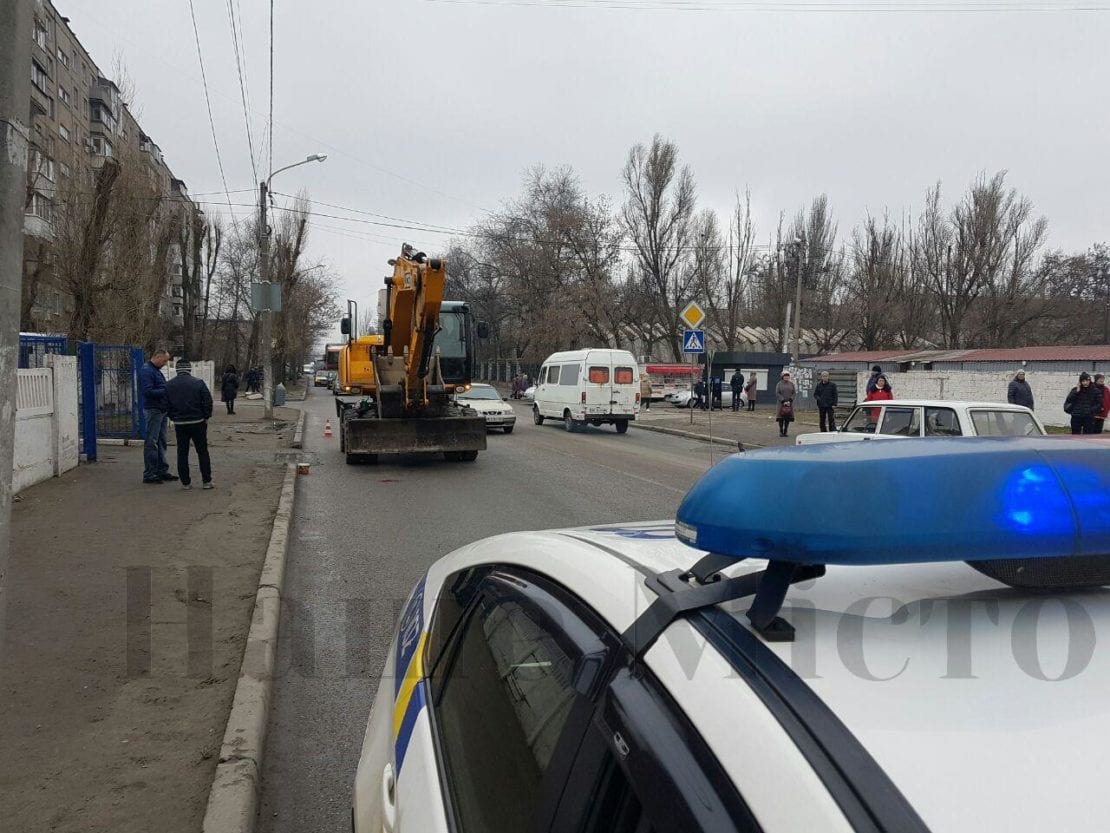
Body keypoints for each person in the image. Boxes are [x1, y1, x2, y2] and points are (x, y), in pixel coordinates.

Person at [166, 360, 214, 489]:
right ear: (190, 369)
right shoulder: (198, 383)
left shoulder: (169, 385)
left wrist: (173, 417)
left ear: (177, 370)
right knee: (202, 451)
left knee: (182, 452)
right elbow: (207, 401)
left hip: (180, 423)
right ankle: (206, 481)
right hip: (198, 422)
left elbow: (166, 404)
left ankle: (186, 483)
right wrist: (205, 416)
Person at [138, 349, 176, 484]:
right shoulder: (147, 371)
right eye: (165, 360)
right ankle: (150, 473)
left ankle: (161, 471)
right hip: (154, 410)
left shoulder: (153, 370)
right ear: (157, 357)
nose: (166, 363)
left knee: (161, 441)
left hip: (160, 410)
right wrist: (167, 390)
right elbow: (148, 392)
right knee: (152, 442)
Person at [775, 371, 796, 437]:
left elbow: (794, 393)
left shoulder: (791, 384)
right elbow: (777, 393)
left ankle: (785, 431)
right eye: (785, 376)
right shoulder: (779, 384)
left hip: (789, 403)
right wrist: (783, 400)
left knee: (787, 417)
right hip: (781, 403)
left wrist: (790, 400)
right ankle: (781, 431)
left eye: (787, 376)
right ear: (782, 377)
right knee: (781, 417)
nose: (786, 377)